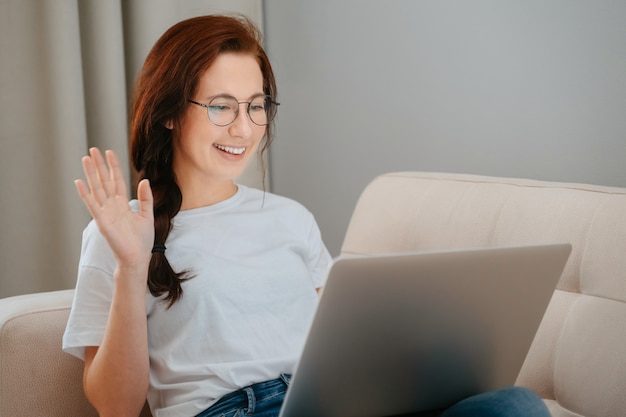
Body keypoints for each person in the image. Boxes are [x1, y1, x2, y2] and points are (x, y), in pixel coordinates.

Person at [62, 15, 551, 417]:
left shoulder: (291, 218)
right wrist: (130, 266)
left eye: (257, 107)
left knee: (516, 405)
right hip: (234, 410)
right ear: (169, 112)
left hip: (331, 403)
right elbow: (115, 407)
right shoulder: (121, 232)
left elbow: (337, 345)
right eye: (220, 106)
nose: (243, 127)